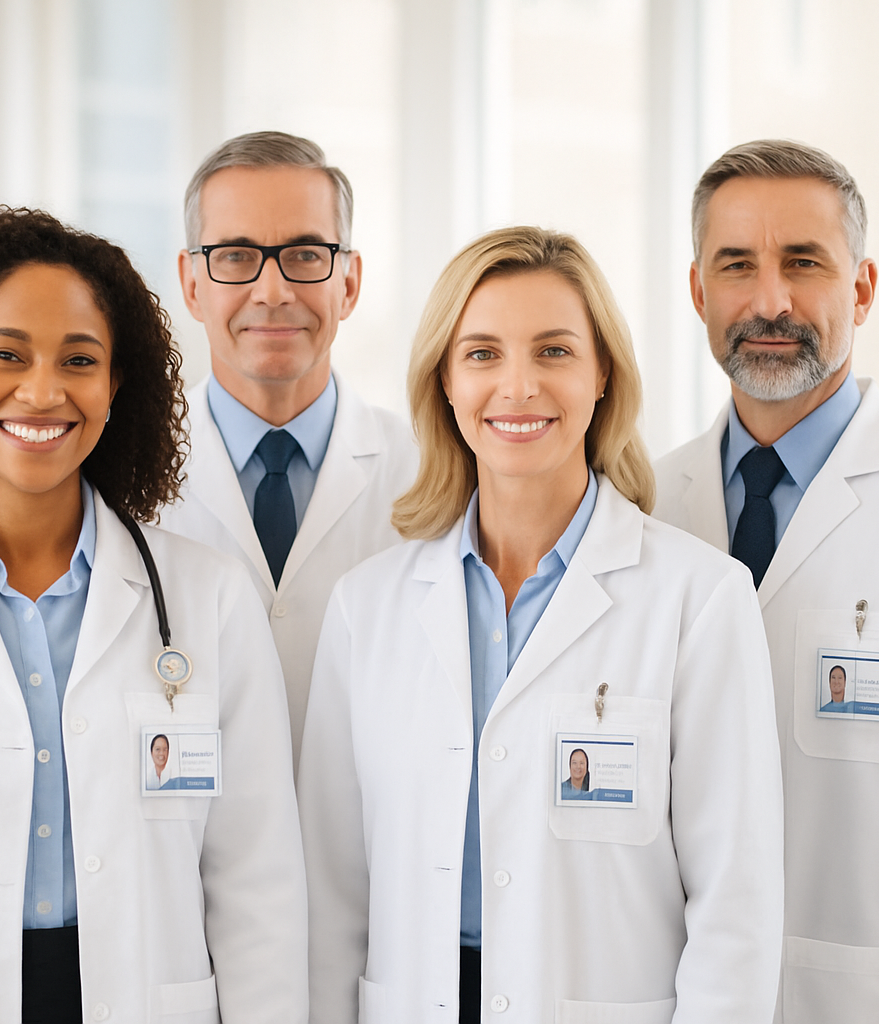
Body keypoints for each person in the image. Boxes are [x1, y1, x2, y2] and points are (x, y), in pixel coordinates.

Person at [298, 226, 784, 1024]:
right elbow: (332, 898)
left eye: (554, 351)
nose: (517, 386)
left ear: (602, 377)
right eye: (483, 354)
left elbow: (736, 910)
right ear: (445, 384)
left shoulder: (699, 601)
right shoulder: (367, 609)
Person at [0, 207, 307, 1024]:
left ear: (115, 386)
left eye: (79, 360)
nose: (42, 391)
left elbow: (256, 885)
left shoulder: (207, 599)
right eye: (6, 355)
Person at [653, 139, 879, 1023]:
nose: (770, 302)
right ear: (697, 291)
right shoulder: (638, 505)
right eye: (737, 266)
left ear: (863, 288)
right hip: (676, 991)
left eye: (804, 263)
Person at [159, 131, 418, 764]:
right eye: (237, 256)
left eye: (304, 254)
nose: (273, 291)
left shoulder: (429, 473)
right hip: (190, 857)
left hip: (374, 857)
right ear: (193, 284)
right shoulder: (116, 483)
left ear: (349, 283)